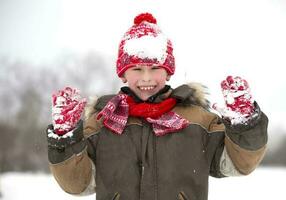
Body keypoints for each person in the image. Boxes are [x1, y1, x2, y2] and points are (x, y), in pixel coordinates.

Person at [46, 13, 268, 200]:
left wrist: (245, 126)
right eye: (136, 69)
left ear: (168, 71)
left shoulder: (198, 121)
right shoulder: (102, 122)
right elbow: (77, 184)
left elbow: (238, 164)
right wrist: (66, 138)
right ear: (123, 74)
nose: (146, 78)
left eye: (154, 68)